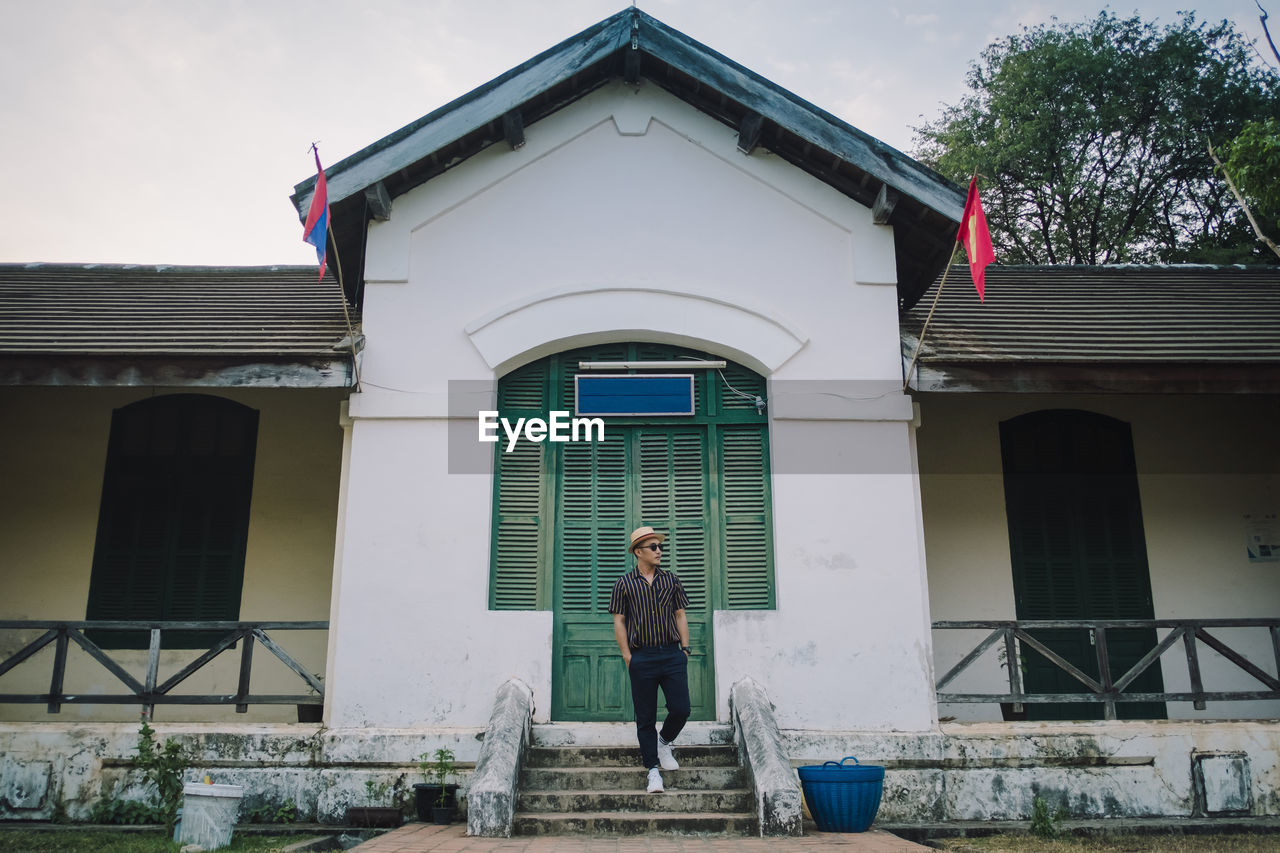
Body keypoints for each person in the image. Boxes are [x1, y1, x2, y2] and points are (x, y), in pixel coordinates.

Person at [609, 525, 692, 794]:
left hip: (671, 653)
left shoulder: (671, 580)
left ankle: (664, 742)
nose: (659, 551)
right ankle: (653, 772)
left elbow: (680, 614)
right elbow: (619, 621)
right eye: (653, 547)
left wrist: (685, 649)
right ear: (638, 552)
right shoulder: (624, 583)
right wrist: (627, 656)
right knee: (645, 718)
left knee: (681, 708)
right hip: (642, 656)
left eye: (660, 547)